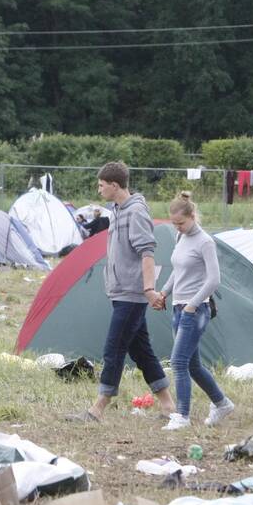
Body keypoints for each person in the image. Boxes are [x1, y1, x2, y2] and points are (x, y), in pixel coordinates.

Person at [67, 161, 173, 423]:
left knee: (113, 349)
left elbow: (147, 252)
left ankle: (97, 409)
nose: (98, 189)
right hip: (119, 291)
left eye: (101, 185)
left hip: (132, 293)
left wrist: (148, 289)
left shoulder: (135, 212)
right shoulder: (117, 210)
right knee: (141, 351)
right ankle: (169, 406)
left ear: (115, 186)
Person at [152, 192, 234, 431]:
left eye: (181, 223)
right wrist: (164, 292)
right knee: (193, 364)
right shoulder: (181, 237)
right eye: (174, 223)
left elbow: (214, 279)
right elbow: (178, 271)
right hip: (178, 307)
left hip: (195, 310)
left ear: (192, 216)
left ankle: (182, 416)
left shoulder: (205, 242)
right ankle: (222, 403)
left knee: (178, 363)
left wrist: (193, 304)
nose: (178, 227)